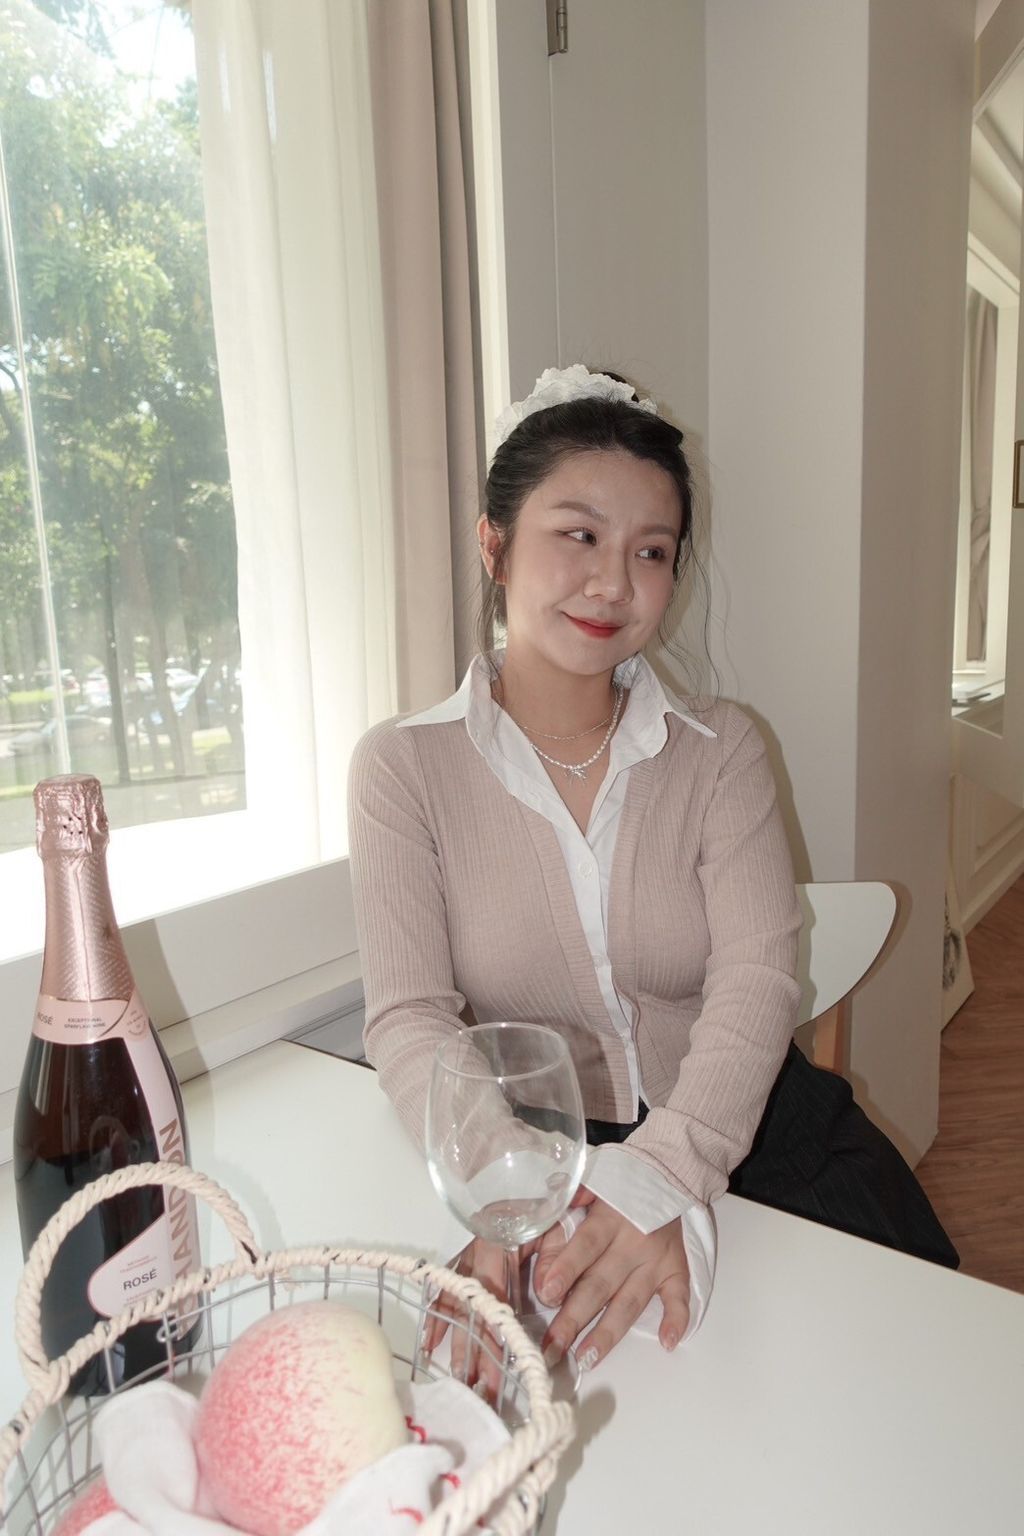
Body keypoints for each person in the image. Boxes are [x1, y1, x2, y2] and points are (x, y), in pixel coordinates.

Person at [348, 364, 956, 1377]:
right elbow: (409, 1018)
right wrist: (513, 1185)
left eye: (651, 551)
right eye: (578, 535)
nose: (612, 583)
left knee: (899, 1375)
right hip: (536, 1155)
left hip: (748, 1127)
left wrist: (663, 1174)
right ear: (494, 543)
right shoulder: (404, 767)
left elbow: (758, 977)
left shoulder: (721, 749)